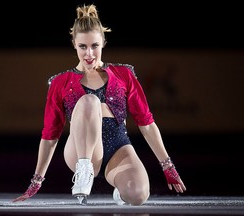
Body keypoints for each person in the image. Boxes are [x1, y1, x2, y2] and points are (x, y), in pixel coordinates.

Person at [13, 3, 186, 206]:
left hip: (118, 146)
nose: (89, 54)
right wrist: (36, 181)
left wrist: (167, 166)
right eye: (83, 47)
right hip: (79, 151)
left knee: (138, 195)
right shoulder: (61, 82)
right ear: (74, 45)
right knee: (90, 101)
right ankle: (84, 171)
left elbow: (146, 123)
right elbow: (50, 136)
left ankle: (120, 193)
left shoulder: (124, 75)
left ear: (103, 43)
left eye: (94, 46)